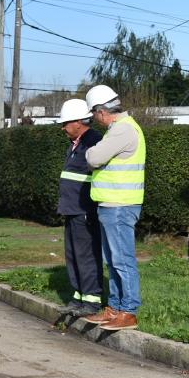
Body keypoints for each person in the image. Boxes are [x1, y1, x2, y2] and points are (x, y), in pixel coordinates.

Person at [81, 85, 145, 331]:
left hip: (119, 205)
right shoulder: (119, 130)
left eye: (94, 114)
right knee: (113, 260)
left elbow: (93, 158)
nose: (94, 120)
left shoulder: (122, 130)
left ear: (100, 111)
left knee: (122, 260)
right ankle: (115, 308)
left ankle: (128, 311)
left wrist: (92, 153)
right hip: (112, 204)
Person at [56, 98, 104, 317]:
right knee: (73, 254)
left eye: (65, 123)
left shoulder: (93, 141)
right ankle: (79, 295)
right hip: (71, 207)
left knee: (85, 254)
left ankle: (92, 300)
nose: (63, 128)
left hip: (84, 209)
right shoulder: (75, 143)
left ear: (78, 122)